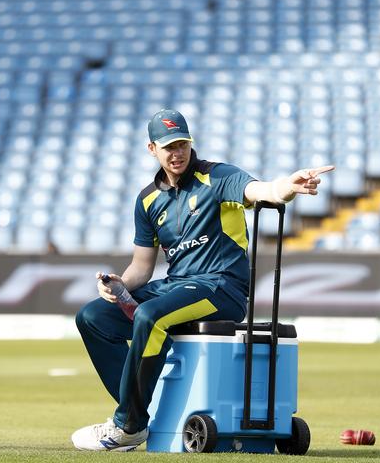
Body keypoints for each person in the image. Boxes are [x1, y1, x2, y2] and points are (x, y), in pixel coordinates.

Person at [71, 109, 333, 451]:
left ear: (190, 142)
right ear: (152, 149)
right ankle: (142, 407)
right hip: (176, 285)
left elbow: (261, 191)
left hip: (222, 287)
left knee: (150, 318)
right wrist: (118, 283)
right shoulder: (148, 199)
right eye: (168, 146)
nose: (176, 152)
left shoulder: (218, 177)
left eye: (182, 143)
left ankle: (129, 426)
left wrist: (288, 186)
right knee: (92, 318)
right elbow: (142, 267)